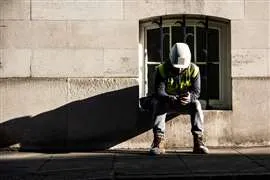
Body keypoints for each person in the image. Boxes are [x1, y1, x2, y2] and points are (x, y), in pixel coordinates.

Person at [149, 42, 209, 155]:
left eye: (183, 68)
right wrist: (171, 99)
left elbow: (196, 92)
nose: (180, 70)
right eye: (177, 68)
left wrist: (190, 98)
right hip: (167, 102)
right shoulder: (161, 70)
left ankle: (198, 141)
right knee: (158, 103)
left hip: (185, 103)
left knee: (196, 104)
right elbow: (159, 92)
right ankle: (158, 141)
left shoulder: (194, 70)